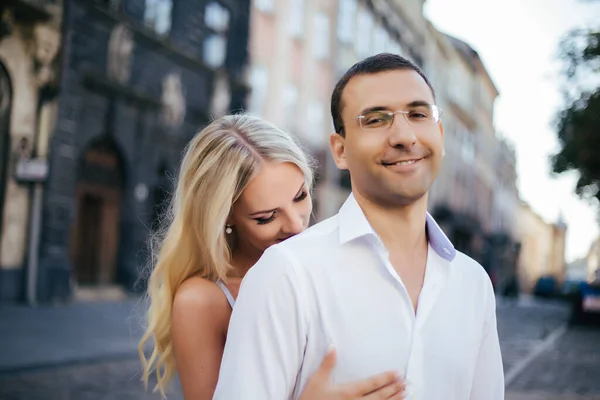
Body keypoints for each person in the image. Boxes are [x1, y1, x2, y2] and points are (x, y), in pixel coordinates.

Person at [214, 54, 505, 399]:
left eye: (417, 114)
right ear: (340, 150)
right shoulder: (286, 274)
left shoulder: (473, 284)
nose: (403, 135)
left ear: (438, 133)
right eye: (376, 119)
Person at [138, 114, 407, 399]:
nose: (295, 225)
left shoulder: (334, 260)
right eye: (266, 217)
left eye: (301, 196)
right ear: (225, 217)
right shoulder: (202, 301)